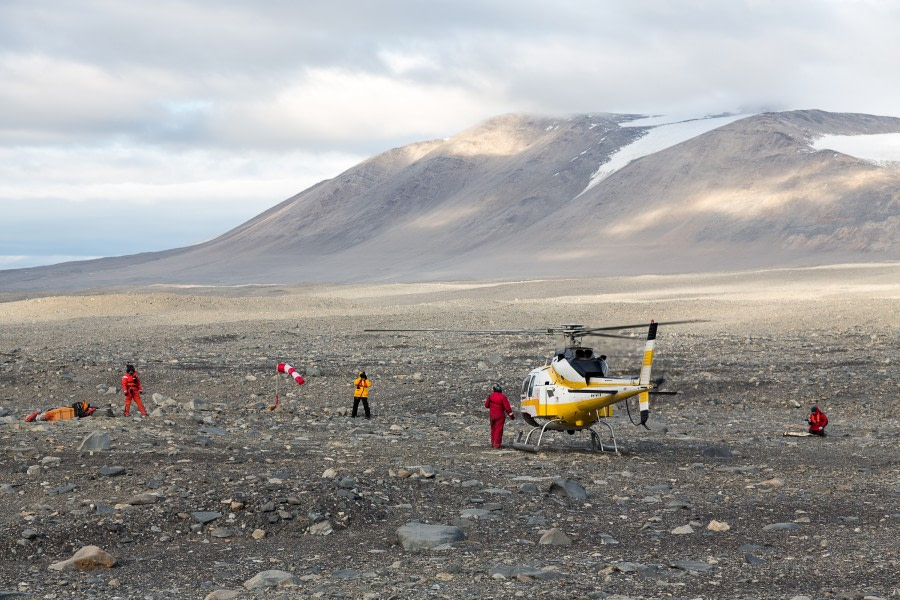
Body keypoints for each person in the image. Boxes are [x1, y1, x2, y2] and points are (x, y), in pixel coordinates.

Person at [485, 383, 514, 448]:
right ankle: (497, 444)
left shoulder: (490, 396)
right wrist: (511, 416)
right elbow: (507, 408)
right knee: (499, 429)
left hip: (492, 416)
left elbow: (486, 405)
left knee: (493, 429)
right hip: (500, 416)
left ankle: (493, 443)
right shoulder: (503, 397)